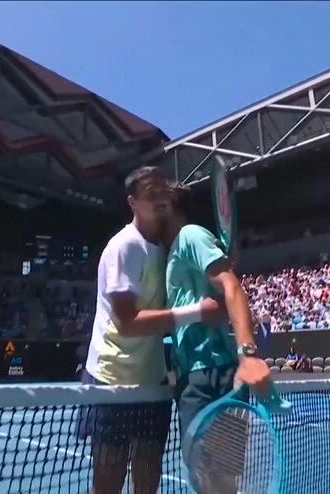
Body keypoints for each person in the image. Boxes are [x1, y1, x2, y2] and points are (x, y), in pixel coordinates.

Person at [79, 166, 225, 494]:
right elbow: (127, 323)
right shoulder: (124, 247)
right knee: (108, 480)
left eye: (164, 192)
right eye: (151, 193)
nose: (160, 199)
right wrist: (198, 312)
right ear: (133, 202)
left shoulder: (168, 247)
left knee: (148, 476)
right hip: (112, 378)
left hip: (153, 380)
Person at [163, 184, 271, 494]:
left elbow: (232, 288)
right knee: (208, 479)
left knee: (218, 479)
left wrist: (248, 354)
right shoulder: (174, 250)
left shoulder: (190, 235)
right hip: (193, 374)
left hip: (213, 374)